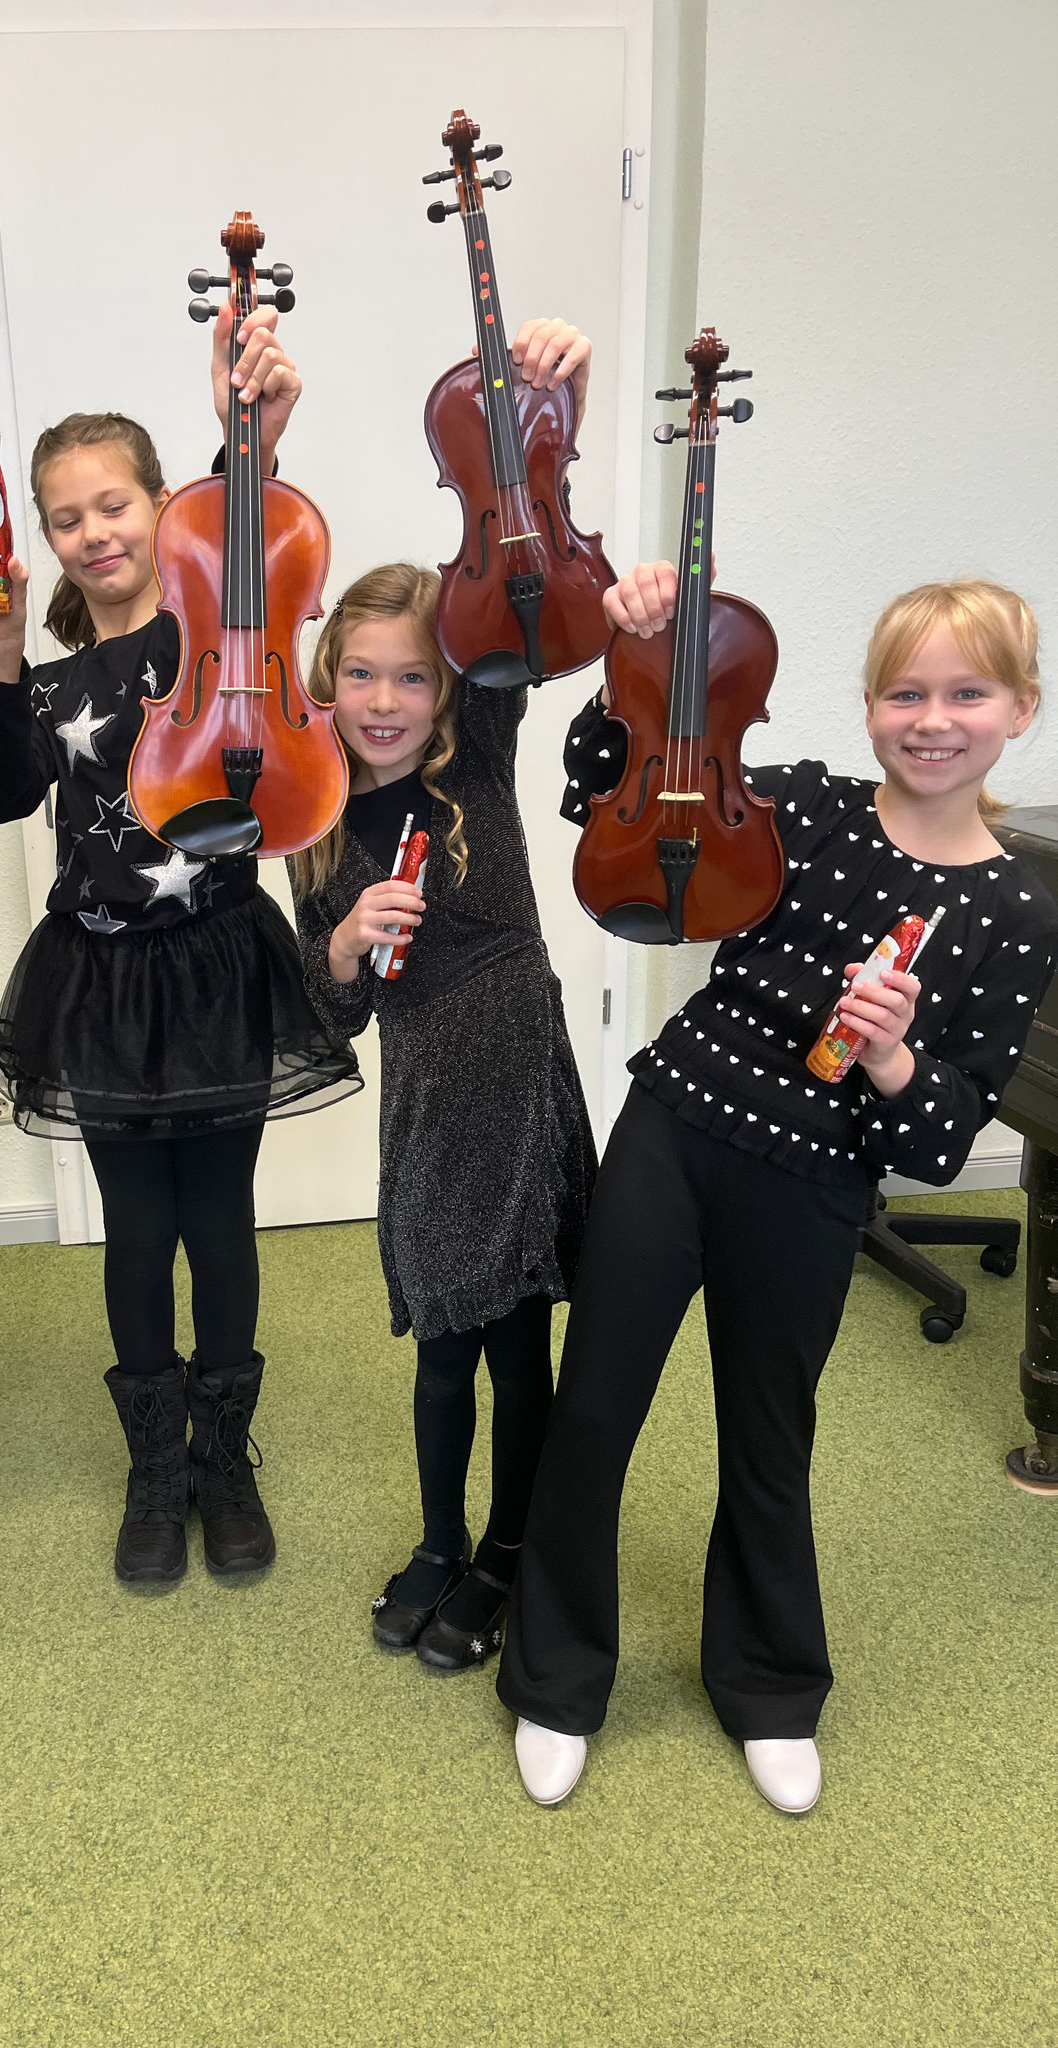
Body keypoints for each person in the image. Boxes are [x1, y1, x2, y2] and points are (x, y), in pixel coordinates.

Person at [501, 569, 1058, 1812]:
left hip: (815, 1178)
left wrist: (893, 1055)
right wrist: (637, 659)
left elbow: (942, 1139)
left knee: (770, 1434)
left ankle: (767, 1683)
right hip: (678, 1127)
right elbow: (600, 790)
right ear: (869, 704)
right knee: (596, 1407)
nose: (933, 718)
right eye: (905, 692)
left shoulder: (1017, 907)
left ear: (1020, 708)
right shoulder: (802, 803)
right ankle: (555, 1675)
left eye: (968, 693)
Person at [0, 307, 358, 1589]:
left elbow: (246, 552)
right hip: (103, 982)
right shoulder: (51, 680)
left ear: (158, 505)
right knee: (135, 1227)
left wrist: (250, 441)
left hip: (218, 959)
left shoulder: (207, 635)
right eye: (65, 517)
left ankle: (223, 1457)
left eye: (115, 503)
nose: (94, 531)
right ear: (47, 539)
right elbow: (3, 792)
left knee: (219, 1220)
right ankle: (154, 1466)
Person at [289, 321, 600, 1671]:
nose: (385, 698)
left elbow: (520, 577)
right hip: (422, 1103)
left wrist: (553, 410)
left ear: (448, 688)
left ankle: (510, 1550)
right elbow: (333, 1012)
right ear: (328, 682)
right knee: (437, 1349)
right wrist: (345, 942)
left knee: (518, 1347)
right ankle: (437, 1538)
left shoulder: (479, 749)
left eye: (412, 675)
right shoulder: (312, 814)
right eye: (361, 673)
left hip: (514, 1072)